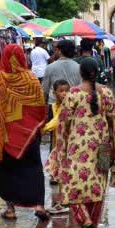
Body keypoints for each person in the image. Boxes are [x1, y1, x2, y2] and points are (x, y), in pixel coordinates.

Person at [48, 59, 115, 228]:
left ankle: (85, 221)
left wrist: (60, 149)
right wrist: (114, 149)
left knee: (72, 186)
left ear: (80, 73)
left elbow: (62, 124)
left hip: (77, 148)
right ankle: (93, 225)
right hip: (103, 146)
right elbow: (114, 124)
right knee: (98, 186)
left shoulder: (73, 94)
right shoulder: (107, 93)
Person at [0, 44, 50, 221]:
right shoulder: (31, 79)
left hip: (5, 135)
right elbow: (40, 108)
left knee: (7, 172)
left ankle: (11, 209)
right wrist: (38, 127)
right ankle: (39, 206)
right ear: (23, 57)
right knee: (34, 169)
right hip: (29, 136)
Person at [43, 80, 72, 215]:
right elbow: (50, 122)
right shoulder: (52, 107)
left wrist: (41, 129)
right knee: (59, 175)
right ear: (54, 93)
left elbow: (56, 121)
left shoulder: (70, 106)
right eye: (61, 91)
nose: (64, 93)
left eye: (66, 90)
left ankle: (65, 201)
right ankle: (63, 201)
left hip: (69, 146)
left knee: (65, 174)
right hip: (56, 146)